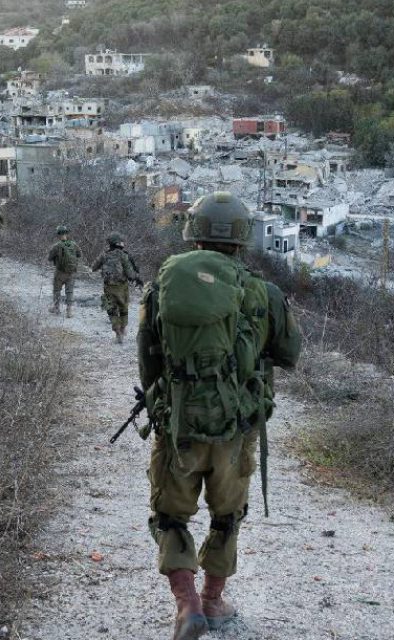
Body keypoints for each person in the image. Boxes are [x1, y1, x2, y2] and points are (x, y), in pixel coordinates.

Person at [136, 191, 301, 640]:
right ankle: (212, 598)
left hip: (179, 427)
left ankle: (186, 605)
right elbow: (290, 354)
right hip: (237, 429)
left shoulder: (162, 288)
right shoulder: (263, 292)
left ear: (192, 235)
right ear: (242, 239)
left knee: (170, 514)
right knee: (227, 514)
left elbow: (149, 365)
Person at [92, 232, 142, 343]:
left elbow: (93, 267)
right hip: (122, 286)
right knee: (124, 307)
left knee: (111, 310)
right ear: (118, 242)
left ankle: (117, 331)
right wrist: (136, 278)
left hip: (108, 286)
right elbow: (130, 273)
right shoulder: (123, 255)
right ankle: (123, 328)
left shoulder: (104, 255)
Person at [47, 225, 83, 317]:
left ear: (58, 235)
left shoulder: (57, 246)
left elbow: (49, 258)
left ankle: (56, 308)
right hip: (71, 272)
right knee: (69, 291)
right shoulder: (74, 244)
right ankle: (69, 311)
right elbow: (79, 254)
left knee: (57, 290)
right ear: (67, 234)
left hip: (60, 272)